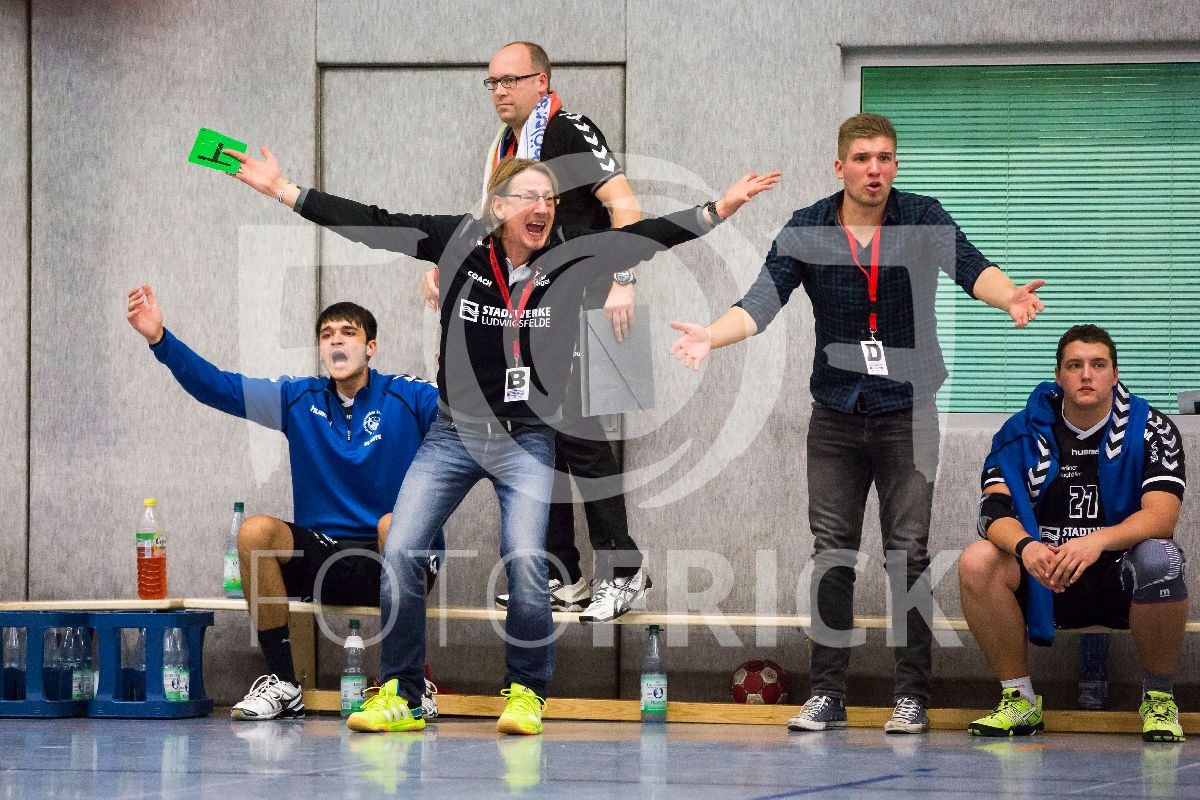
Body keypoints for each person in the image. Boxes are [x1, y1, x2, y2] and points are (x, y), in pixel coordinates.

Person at [223, 143, 778, 735]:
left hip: (527, 437)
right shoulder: (460, 242)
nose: (543, 208)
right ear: (498, 207)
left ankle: (527, 693)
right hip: (454, 433)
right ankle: (403, 694)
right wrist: (283, 190)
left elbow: (647, 237)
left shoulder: (568, 252)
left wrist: (719, 208)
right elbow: (372, 223)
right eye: (529, 197)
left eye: (550, 198)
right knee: (403, 550)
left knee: (526, 560)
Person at [668, 113, 1045, 735]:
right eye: (864, 158)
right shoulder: (807, 228)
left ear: (895, 165)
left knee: (908, 555)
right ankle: (827, 693)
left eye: (886, 158)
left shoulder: (921, 218)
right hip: (837, 417)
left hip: (908, 413)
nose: (876, 170)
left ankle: (912, 695)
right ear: (839, 166)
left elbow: (972, 266)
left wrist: (1009, 297)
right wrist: (711, 335)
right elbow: (762, 301)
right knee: (832, 555)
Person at [127, 285, 441, 721]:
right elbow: (219, 387)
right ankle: (284, 684)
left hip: (394, 554)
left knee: (393, 523)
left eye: (348, 332)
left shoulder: (409, 395)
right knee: (254, 531)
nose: (335, 340)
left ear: (371, 347)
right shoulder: (297, 399)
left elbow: (468, 409)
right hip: (324, 556)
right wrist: (160, 339)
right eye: (326, 334)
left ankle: (408, 686)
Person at [423, 41, 648, 622]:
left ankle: (625, 571)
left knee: (582, 439)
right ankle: (561, 572)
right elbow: (492, 225)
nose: (499, 91)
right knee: (539, 436)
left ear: (541, 81)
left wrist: (623, 280)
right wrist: (447, 262)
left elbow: (627, 209)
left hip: (588, 302)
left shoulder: (569, 130)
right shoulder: (505, 146)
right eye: (492, 82)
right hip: (531, 311)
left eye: (511, 80)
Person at [960, 324, 1187, 742]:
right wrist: (1027, 548)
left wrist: (1095, 541)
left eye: (1098, 365)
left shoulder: (1151, 428)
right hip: (1044, 575)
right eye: (1074, 365)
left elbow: (1161, 518)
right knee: (977, 560)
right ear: (1058, 375)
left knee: (1162, 557)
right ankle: (1019, 701)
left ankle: (1158, 698)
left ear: (1114, 374)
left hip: (1118, 576)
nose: (1086, 374)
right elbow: (993, 512)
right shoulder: (1022, 431)